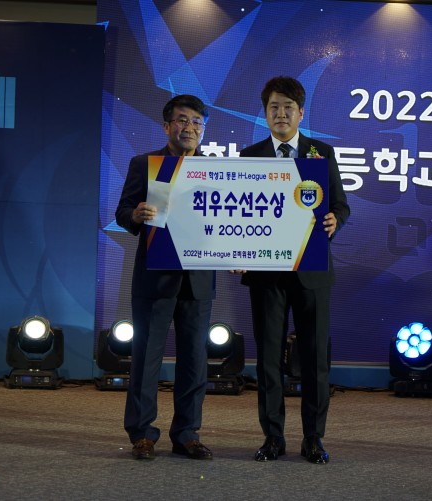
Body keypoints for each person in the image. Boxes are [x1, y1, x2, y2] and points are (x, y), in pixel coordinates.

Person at [239, 76, 350, 464]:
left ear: (301, 113)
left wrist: (336, 220)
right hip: (266, 274)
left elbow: (341, 205)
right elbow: (240, 212)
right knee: (269, 360)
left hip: (312, 271)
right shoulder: (249, 157)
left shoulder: (321, 153)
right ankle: (273, 437)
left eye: (288, 107)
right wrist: (236, 250)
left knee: (315, 359)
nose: (281, 114)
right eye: (274, 107)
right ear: (265, 113)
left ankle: (313, 438)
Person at [115, 94, 216, 460]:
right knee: (146, 360)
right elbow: (123, 211)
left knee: (194, 361)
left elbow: (226, 221)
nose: (190, 128)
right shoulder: (145, 164)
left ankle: (187, 433)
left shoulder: (217, 170)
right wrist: (135, 215)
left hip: (198, 280)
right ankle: (142, 434)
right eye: (182, 120)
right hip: (155, 277)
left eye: (197, 122)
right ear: (167, 126)